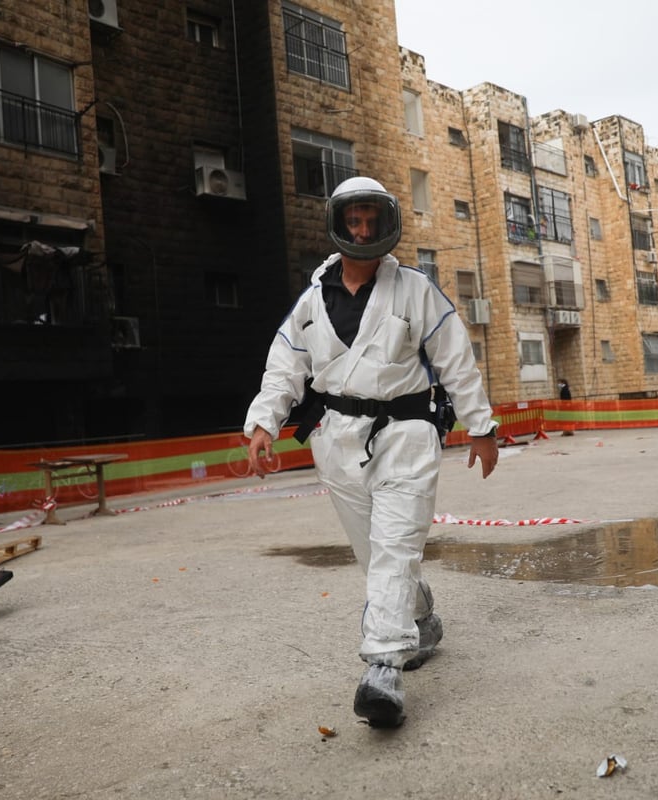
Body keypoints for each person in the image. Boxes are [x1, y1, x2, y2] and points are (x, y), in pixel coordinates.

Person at [243, 176, 499, 728]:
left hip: (407, 435)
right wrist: (263, 420)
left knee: (394, 545)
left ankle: (383, 668)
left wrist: (481, 426)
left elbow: (456, 359)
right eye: (353, 221)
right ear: (339, 225)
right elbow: (285, 366)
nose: (362, 230)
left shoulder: (415, 289)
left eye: (371, 221)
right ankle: (421, 616)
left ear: (387, 224)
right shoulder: (312, 301)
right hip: (335, 442)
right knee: (376, 555)